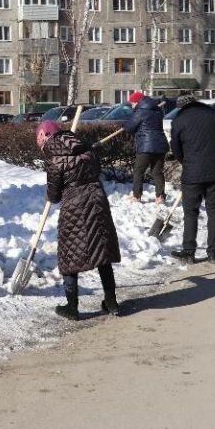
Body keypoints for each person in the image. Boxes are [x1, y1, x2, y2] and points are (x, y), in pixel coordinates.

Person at [39, 120, 122, 320]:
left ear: (45, 136)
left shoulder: (54, 159)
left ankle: (72, 306)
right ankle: (111, 302)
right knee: (101, 250)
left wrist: (49, 195)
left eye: (39, 139)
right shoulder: (87, 149)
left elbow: (55, 195)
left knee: (70, 254)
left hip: (74, 205)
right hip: (97, 200)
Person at [169, 94, 215, 264]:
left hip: (192, 173)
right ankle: (213, 253)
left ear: (181, 107)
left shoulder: (179, 120)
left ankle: (189, 252)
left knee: (190, 213)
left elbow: (175, 149)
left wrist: (186, 162)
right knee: (214, 212)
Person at [123, 91, 169, 204]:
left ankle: (136, 196)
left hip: (146, 146)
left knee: (139, 171)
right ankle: (160, 197)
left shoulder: (140, 112)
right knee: (157, 172)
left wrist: (126, 123)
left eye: (132, 103)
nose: (132, 106)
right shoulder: (157, 110)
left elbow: (129, 128)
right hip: (161, 145)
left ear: (137, 102)